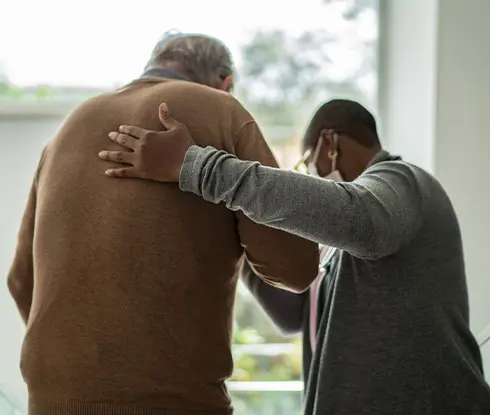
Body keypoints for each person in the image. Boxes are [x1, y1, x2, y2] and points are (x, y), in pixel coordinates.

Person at [98, 99, 490, 415]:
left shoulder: (403, 182)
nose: (312, 174)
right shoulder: (341, 245)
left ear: (330, 143)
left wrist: (197, 168)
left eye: (309, 162)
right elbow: (292, 314)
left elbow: (363, 223)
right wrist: (241, 228)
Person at [6, 32, 319, 415]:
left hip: (51, 400)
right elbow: (296, 267)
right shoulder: (222, 110)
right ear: (227, 85)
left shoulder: (69, 127)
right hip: (173, 403)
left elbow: (20, 280)